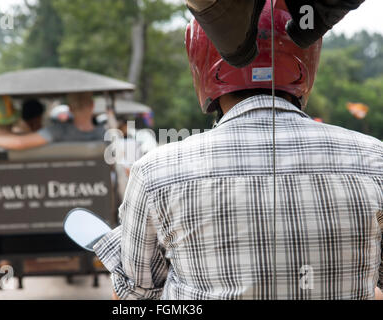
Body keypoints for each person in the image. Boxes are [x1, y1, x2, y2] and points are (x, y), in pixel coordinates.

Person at [93, 1, 382, 300]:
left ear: (203, 67)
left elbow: (135, 296)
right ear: (306, 63)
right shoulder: (375, 161)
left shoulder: (156, 172)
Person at [187, 0, 365, 67]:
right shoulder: (373, 149)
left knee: (235, 47)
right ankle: (320, 7)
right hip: (311, 12)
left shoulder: (167, 151)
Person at [0, 92, 105, 150]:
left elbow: (19, 143)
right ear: (92, 105)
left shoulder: (58, 131)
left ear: (70, 107)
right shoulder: (104, 134)